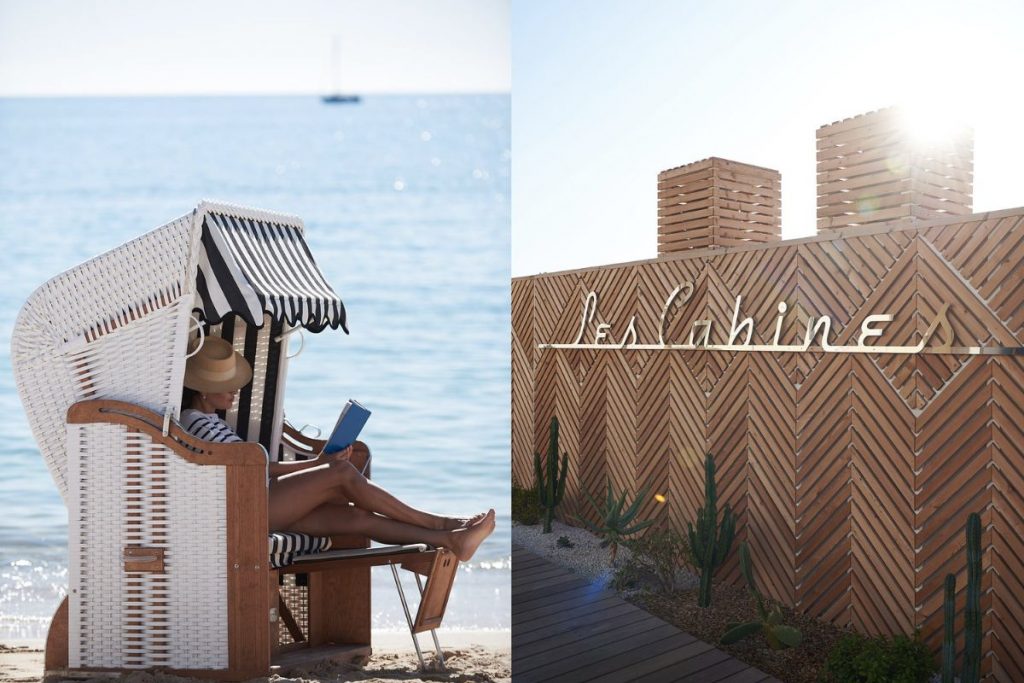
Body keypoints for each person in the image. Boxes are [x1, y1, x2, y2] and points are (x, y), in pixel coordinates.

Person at [180, 336, 495, 562]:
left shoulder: (208, 420)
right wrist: (320, 463)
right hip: (249, 509)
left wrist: (320, 465)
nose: (235, 389)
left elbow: (252, 465)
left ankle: (453, 540)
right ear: (203, 390)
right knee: (341, 471)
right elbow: (255, 466)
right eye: (226, 384)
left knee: (358, 518)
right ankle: (441, 523)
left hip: (263, 505)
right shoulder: (196, 421)